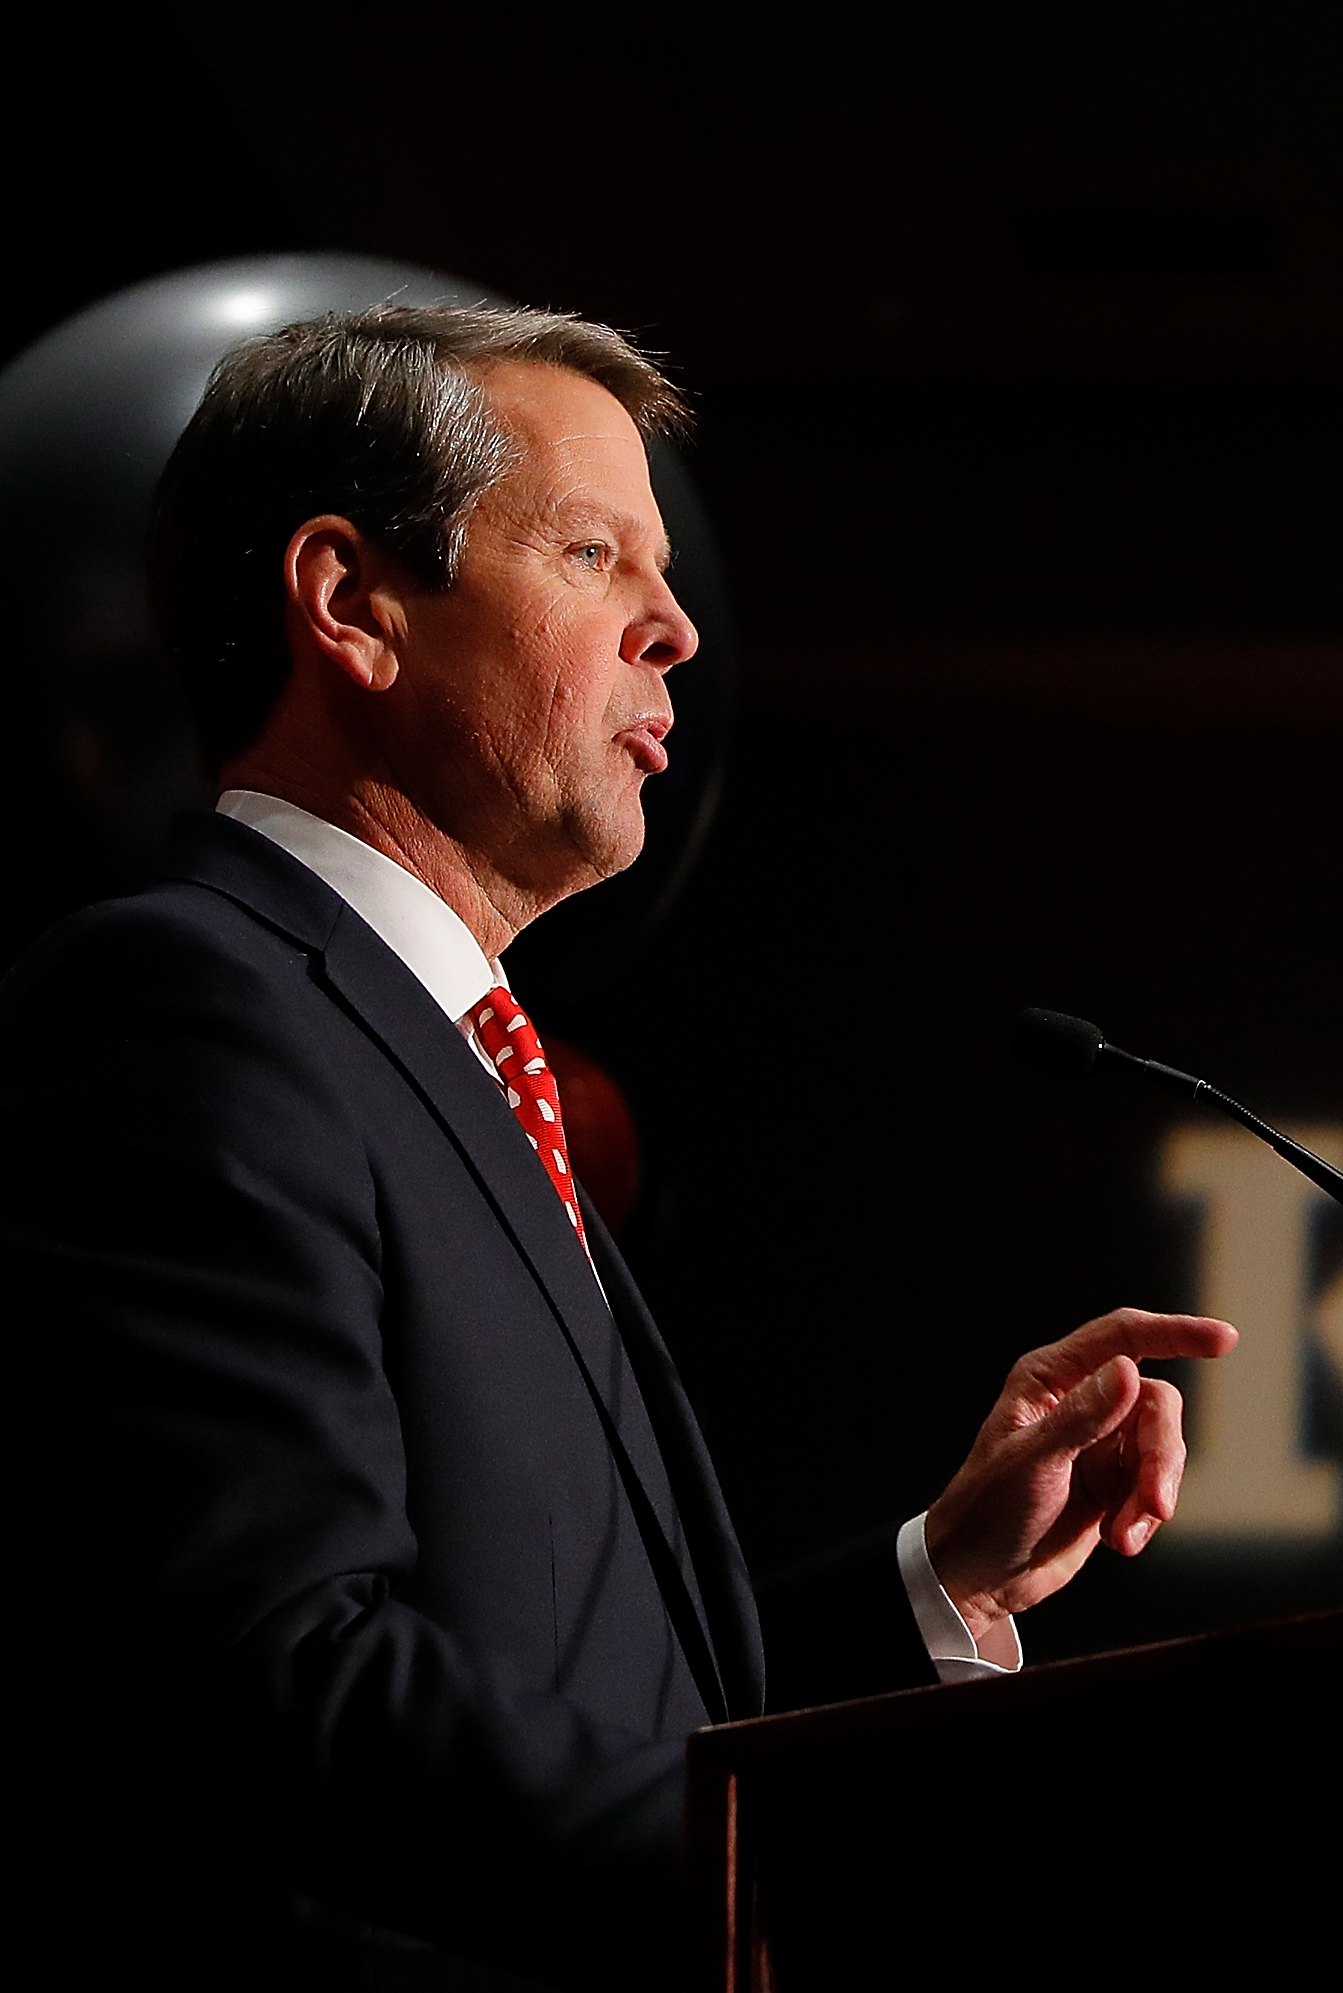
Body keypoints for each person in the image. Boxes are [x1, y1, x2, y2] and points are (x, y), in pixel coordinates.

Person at [0, 305, 1237, 1990]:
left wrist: (930, 1580)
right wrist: (842, 1857)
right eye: (595, 554)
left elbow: (593, 1690)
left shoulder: (457, 1061)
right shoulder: (194, 1006)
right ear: (352, 602)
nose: (677, 631)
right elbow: (270, 1668)